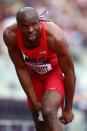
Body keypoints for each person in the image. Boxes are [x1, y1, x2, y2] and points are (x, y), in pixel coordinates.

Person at [3, 7, 76, 131]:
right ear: (18, 25)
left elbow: (69, 73)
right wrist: (34, 101)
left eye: (34, 25)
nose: (30, 30)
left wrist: (68, 109)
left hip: (53, 73)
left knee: (48, 111)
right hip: (33, 75)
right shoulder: (10, 35)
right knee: (39, 120)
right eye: (25, 26)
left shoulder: (55, 37)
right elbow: (21, 68)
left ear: (40, 22)